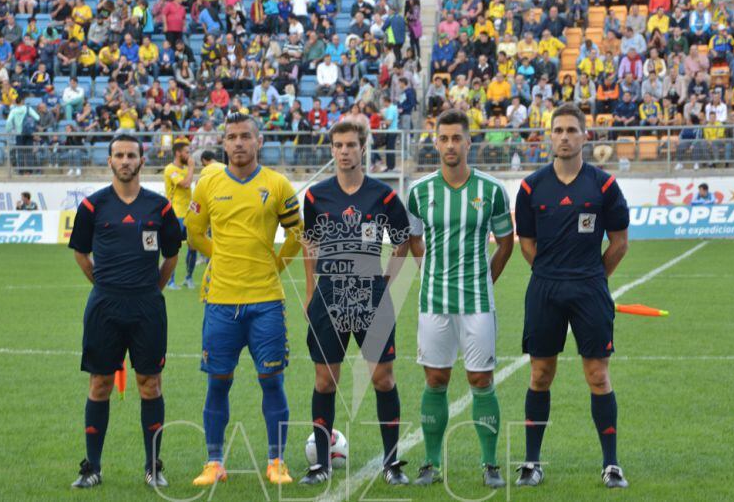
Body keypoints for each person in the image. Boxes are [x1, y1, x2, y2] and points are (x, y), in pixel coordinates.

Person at [513, 103, 630, 489]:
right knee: (540, 374)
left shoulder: (604, 186)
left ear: (585, 136)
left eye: (571, 130)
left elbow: (619, 242)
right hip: (545, 288)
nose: (564, 136)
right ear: (550, 136)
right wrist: (551, 274)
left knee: (598, 375)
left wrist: (594, 276)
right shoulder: (531, 186)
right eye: (558, 130)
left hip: (589, 289)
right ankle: (532, 462)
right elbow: (526, 244)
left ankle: (611, 464)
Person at [185, 113, 303, 487]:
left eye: (245, 136)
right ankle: (214, 462)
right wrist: (220, 257)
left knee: (272, 380)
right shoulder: (207, 183)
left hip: (266, 301)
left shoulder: (278, 184)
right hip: (220, 301)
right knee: (218, 382)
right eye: (232, 137)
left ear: (259, 141)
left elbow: (296, 235)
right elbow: (194, 233)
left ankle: (276, 461)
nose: (238, 143)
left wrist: (274, 267)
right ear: (223, 143)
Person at [299, 120, 411, 486]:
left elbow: (402, 242)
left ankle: (392, 465)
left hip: (370, 296)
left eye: (350, 144)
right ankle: (321, 466)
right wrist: (311, 290)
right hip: (329, 295)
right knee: (324, 381)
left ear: (363, 148)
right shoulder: (316, 196)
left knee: (382, 378)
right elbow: (309, 245)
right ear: (331, 149)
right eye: (337, 145)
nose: (344, 151)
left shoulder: (384, 195)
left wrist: (385, 284)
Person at [407, 109, 514, 488]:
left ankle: (490, 465)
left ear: (469, 142)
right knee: (435, 378)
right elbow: (414, 238)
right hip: (434, 301)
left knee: (481, 379)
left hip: (477, 303)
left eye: (457, 138)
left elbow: (505, 243)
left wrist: (486, 278)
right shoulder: (419, 192)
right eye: (444, 138)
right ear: (436, 143)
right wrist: (427, 271)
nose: (451, 145)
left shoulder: (492, 191)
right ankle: (431, 464)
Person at [68, 134, 181, 489]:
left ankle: (153, 467)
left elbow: (172, 254)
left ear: (141, 160)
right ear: (110, 160)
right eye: (119, 155)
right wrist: (104, 287)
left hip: (147, 306)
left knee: (150, 384)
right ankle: (92, 468)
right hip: (105, 306)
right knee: (100, 383)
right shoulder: (92, 206)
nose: (125, 160)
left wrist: (151, 290)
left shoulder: (159, 207)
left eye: (131, 155)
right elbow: (81, 254)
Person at [162, 141, 196, 289]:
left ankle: (188, 278)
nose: (189, 156)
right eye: (187, 152)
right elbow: (185, 184)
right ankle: (170, 281)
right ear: (178, 153)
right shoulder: (170, 169)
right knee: (173, 248)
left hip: (189, 213)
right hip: (175, 214)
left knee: (193, 246)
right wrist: (192, 167)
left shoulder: (185, 169)